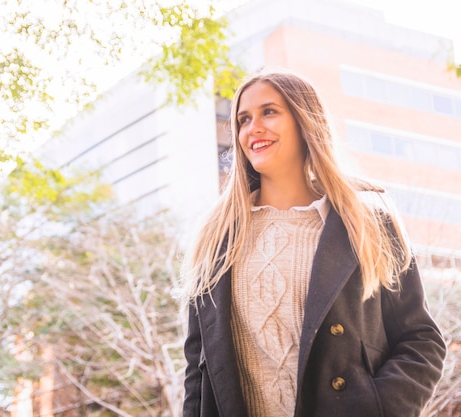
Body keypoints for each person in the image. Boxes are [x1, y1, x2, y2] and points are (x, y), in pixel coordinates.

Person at [181, 68, 446, 417]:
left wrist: (376, 407)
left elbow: (421, 340)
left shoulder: (366, 222)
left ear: (305, 120)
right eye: (243, 120)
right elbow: (197, 371)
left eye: (269, 112)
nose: (252, 128)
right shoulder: (216, 238)